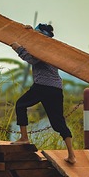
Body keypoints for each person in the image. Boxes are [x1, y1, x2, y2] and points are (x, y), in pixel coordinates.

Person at [10, 23, 76, 164]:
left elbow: (32, 59)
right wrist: (29, 32)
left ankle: (24, 138)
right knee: (58, 122)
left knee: (20, 104)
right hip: (56, 88)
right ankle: (72, 155)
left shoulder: (43, 48)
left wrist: (18, 48)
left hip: (43, 86)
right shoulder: (51, 47)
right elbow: (33, 45)